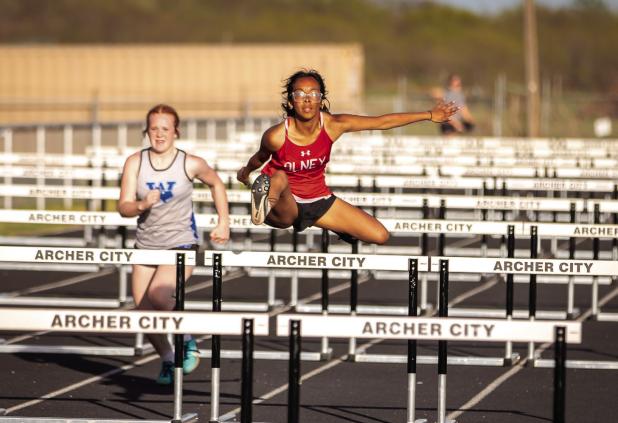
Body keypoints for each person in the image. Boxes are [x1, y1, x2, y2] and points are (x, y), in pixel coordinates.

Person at [237, 69, 458, 244]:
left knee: (380, 236)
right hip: (285, 207)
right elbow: (259, 158)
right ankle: (264, 199)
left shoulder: (334, 125)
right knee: (280, 178)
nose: (307, 100)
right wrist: (245, 173)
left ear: (321, 100)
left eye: (313, 94)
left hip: (319, 199)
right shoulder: (276, 135)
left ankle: (330, 224)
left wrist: (429, 115)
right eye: (300, 94)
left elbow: (381, 122)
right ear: (290, 102)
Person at [118, 104, 230, 384]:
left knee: (159, 295)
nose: (159, 134)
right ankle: (169, 358)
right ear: (147, 131)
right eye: (154, 128)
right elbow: (124, 206)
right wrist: (142, 204)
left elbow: (217, 184)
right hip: (146, 244)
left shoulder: (189, 163)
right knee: (143, 313)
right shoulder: (135, 162)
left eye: (165, 129)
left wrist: (223, 222)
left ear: (175, 132)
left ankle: (188, 340)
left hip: (180, 243)